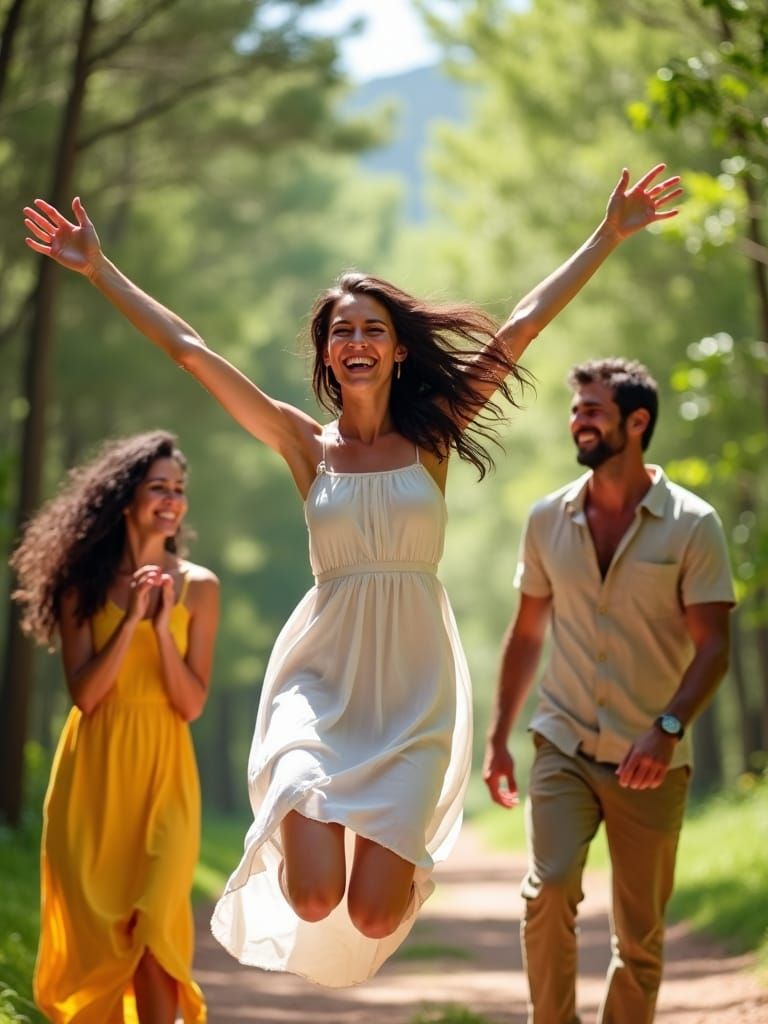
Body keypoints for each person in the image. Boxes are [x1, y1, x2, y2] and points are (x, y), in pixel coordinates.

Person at [23, 165, 681, 988]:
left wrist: (607, 235)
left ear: (398, 348)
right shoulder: (306, 446)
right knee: (310, 896)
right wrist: (99, 269)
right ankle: (298, 791)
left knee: (371, 913)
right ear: (329, 355)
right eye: (342, 332)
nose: (357, 343)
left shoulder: (432, 435)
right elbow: (191, 352)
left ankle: (398, 864)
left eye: (373, 329)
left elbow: (520, 326)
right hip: (322, 674)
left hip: (411, 685)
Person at [483, 358, 735, 1024]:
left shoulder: (693, 524)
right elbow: (528, 634)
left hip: (651, 760)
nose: (579, 422)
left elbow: (713, 647)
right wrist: (498, 738)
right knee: (550, 886)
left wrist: (670, 727)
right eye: (575, 411)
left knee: (640, 938)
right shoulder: (546, 519)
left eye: (592, 410)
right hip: (562, 738)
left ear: (637, 421)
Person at [10, 431, 220, 1024]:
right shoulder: (83, 583)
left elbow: (191, 703)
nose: (172, 500)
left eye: (179, 490)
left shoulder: (200, 587)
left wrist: (160, 630)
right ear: (126, 496)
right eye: (159, 488)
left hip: (165, 770)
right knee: (99, 936)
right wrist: (129, 622)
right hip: (94, 777)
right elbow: (88, 695)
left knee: (155, 925)